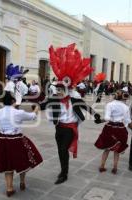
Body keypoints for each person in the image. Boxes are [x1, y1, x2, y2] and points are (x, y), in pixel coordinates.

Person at [40, 43, 102, 184]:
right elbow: (43, 104)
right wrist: (36, 106)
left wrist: (97, 115)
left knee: (63, 150)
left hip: (70, 128)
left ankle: (64, 173)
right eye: (58, 89)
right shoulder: (55, 98)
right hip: (59, 128)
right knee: (61, 150)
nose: (59, 91)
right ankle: (64, 169)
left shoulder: (74, 98)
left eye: (62, 89)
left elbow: (86, 107)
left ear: (67, 89)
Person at [0, 92, 42, 197]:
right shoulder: (18, 112)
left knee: (7, 164)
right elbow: (32, 116)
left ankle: (9, 188)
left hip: (3, 140)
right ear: (12, 101)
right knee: (22, 161)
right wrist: (36, 109)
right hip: (16, 140)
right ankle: (22, 182)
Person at [95, 90, 132, 174]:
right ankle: (115, 168)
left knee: (107, 148)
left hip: (110, 128)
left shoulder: (110, 104)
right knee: (117, 150)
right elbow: (128, 120)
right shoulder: (125, 107)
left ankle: (102, 166)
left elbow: (107, 118)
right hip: (120, 128)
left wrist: (99, 120)